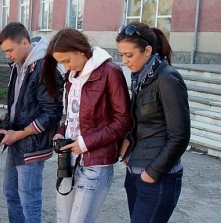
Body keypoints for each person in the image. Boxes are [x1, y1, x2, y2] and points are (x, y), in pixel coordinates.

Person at [41, 28, 132, 223]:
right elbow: (72, 116)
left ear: (80, 50)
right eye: (61, 63)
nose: (65, 67)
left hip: (95, 163)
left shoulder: (110, 72)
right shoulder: (72, 77)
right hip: (69, 161)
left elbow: (123, 120)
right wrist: (60, 132)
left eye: (66, 61)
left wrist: (85, 142)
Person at [116, 22, 190, 222]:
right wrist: (127, 144)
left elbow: (180, 135)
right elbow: (139, 119)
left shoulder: (167, 79)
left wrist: (153, 173)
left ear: (147, 50)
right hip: (135, 171)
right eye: (121, 55)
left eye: (129, 55)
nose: (125, 61)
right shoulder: (140, 77)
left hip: (158, 177)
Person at [0, 22, 64, 223]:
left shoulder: (45, 67)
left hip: (32, 145)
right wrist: (7, 118)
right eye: (5, 51)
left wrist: (20, 133)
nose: (7, 55)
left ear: (25, 42)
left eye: (10, 50)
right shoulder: (19, 64)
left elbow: (52, 113)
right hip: (16, 140)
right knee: (11, 193)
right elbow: (22, 103)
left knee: (29, 201)